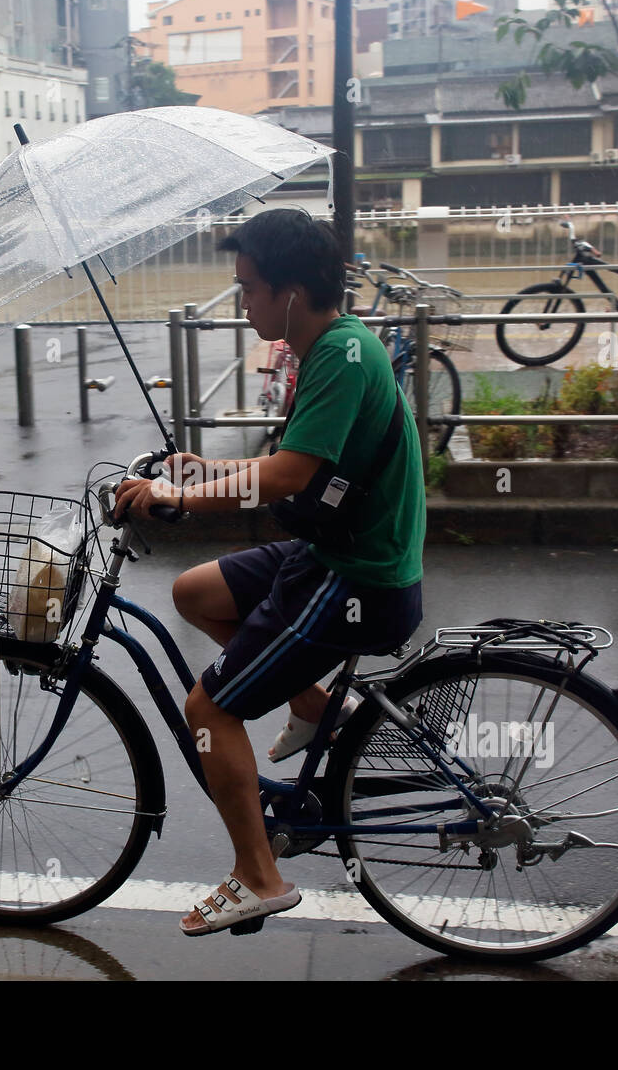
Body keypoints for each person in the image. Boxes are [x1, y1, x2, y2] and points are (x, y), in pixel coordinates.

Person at [114, 208, 425, 937]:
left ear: (291, 290)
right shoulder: (326, 349)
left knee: (208, 711)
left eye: (249, 288)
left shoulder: (343, 358)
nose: (242, 301)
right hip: (332, 549)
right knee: (192, 590)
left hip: (359, 577)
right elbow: (294, 471)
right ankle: (312, 703)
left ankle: (259, 876)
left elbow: (287, 475)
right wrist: (201, 469)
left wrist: (180, 495)